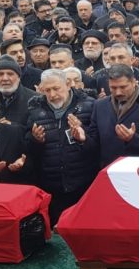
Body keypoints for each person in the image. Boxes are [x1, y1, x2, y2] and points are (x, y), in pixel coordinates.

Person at [27, 69, 97, 224]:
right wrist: (35, 140)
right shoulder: (34, 109)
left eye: (56, 88)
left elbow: (97, 145)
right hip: (51, 185)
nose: (52, 95)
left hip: (83, 183)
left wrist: (82, 137)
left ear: (68, 84)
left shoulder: (89, 105)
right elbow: (28, 147)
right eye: (47, 90)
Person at [87, 64, 139, 167]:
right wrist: (83, 138)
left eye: (123, 87)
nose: (118, 92)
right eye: (113, 88)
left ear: (134, 82)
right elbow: (94, 143)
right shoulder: (99, 106)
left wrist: (133, 138)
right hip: (108, 171)